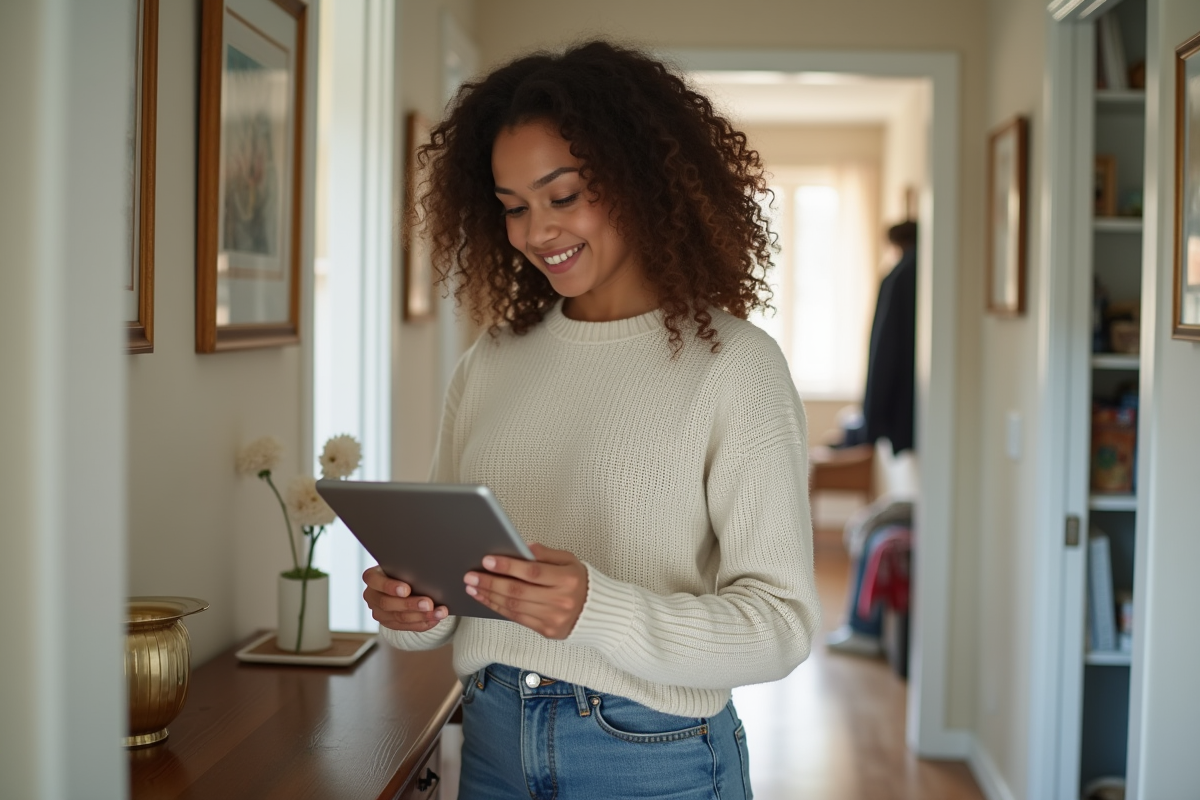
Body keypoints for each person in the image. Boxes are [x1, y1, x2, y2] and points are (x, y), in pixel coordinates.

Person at [361, 40, 820, 800]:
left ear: (640, 179)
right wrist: (408, 608)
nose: (537, 231)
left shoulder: (736, 366)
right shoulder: (491, 360)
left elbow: (780, 627)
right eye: (513, 207)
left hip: (652, 754)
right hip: (490, 738)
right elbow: (442, 596)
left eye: (563, 195)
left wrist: (597, 609)